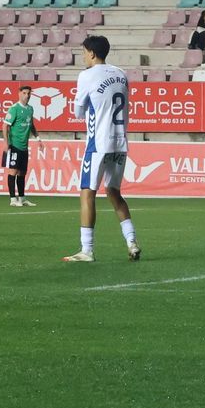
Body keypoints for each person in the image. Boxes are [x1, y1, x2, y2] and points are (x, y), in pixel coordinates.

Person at [63, 36, 141, 262]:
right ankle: (132, 242)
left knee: (87, 193)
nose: (83, 56)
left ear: (92, 53)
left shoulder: (86, 75)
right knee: (114, 192)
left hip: (98, 142)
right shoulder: (121, 74)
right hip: (120, 141)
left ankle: (86, 250)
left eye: (84, 52)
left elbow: (78, 112)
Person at [2, 84, 37, 207]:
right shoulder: (14, 108)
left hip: (24, 147)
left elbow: (31, 125)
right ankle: (13, 199)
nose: (27, 95)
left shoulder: (30, 109)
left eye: (28, 93)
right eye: (24, 93)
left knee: (22, 173)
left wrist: (38, 138)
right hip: (15, 145)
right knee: (13, 171)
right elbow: (5, 125)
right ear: (19, 94)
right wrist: (6, 142)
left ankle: (22, 198)